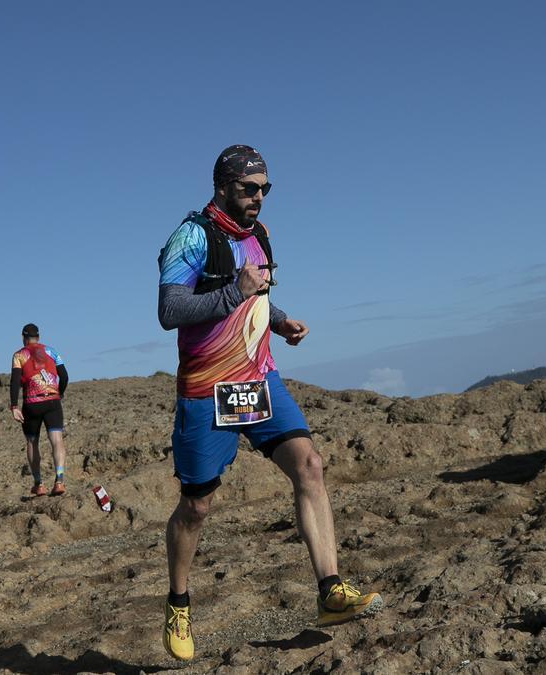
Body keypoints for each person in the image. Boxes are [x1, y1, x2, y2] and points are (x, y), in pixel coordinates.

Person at [156, 144, 382, 660]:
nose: (258, 198)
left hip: (258, 378)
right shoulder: (190, 237)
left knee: (310, 466)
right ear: (222, 187)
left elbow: (258, 291)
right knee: (197, 506)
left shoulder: (259, 236)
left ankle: (330, 590)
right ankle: (178, 602)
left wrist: (277, 318)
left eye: (265, 189)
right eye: (248, 189)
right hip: (207, 391)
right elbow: (170, 310)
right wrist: (234, 293)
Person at [9, 323, 69, 497]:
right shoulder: (52, 351)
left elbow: (14, 381)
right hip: (52, 401)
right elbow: (64, 375)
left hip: (32, 403)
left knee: (32, 443)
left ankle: (39, 484)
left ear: (23, 337)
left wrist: (14, 406)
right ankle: (59, 481)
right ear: (39, 337)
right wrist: (60, 392)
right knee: (56, 440)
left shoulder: (19, 355)